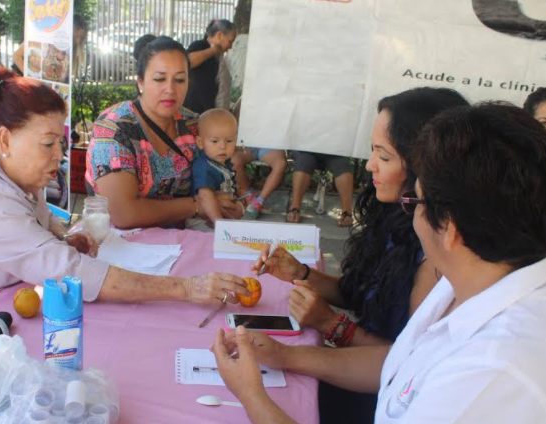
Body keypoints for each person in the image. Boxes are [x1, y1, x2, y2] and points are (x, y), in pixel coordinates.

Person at [214, 102, 546, 423]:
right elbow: (401, 364)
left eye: (415, 200)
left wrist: (250, 394)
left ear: (450, 228)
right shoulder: (468, 279)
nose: (371, 165)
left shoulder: (489, 371)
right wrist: (284, 355)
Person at [0, 67, 250, 349]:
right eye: (47, 144)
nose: (59, 155)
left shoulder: (18, 177)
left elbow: (30, 243)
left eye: (60, 142)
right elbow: (69, 272)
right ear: (6, 140)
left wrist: (62, 241)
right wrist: (188, 288)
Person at [251, 87, 470, 423]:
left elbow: (406, 362)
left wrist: (330, 325)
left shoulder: (438, 254)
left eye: (383, 156)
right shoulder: (394, 215)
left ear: (426, 168)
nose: (369, 166)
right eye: (371, 151)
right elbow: (364, 292)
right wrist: (303, 274)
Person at [85, 36, 243, 229]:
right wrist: (195, 206)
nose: (170, 89)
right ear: (141, 82)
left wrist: (233, 205)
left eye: (179, 79)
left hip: (181, 242)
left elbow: (223, 171)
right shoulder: (114, 129)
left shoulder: (193, 125)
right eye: (160, 79)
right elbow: (123, 214)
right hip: (121, 246)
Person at [230, 97, 288, 219]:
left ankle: (259, 202)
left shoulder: (279, 98)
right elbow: (234, 120)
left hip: (269, 143)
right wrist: (237, 142)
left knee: (280, 163)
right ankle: (248, 197)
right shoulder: (245, 97)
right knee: (234, 160)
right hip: (248, 144)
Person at [187, 109, 242, 231]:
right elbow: (205, 196)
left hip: (221, 219)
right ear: (200, 143)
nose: (223, 146)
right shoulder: (203, 166)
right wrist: (219, 224)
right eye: (215, 141)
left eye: (229, 141)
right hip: (203, 222)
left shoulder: (224, 163)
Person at [286, 151, 355, 226]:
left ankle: (347, 211)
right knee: (304, 161)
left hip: (334, 150)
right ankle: (295, 207)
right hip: (306, 149)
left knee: (343, 164)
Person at [184, 19, 237, 114]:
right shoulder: (200, 45)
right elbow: (187, 62)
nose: (230, 46)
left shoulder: (220, 58)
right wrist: (213, 50)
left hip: (209, 114)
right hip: (192, 112)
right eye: (230, 41)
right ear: (219, 35)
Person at [13, 14, 88, 79]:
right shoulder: (45, 35)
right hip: (22, 82)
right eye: (77, 36)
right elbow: (16, 56)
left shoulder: (66, 52)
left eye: (81, 38)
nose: (78, 41)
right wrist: (30, 77)